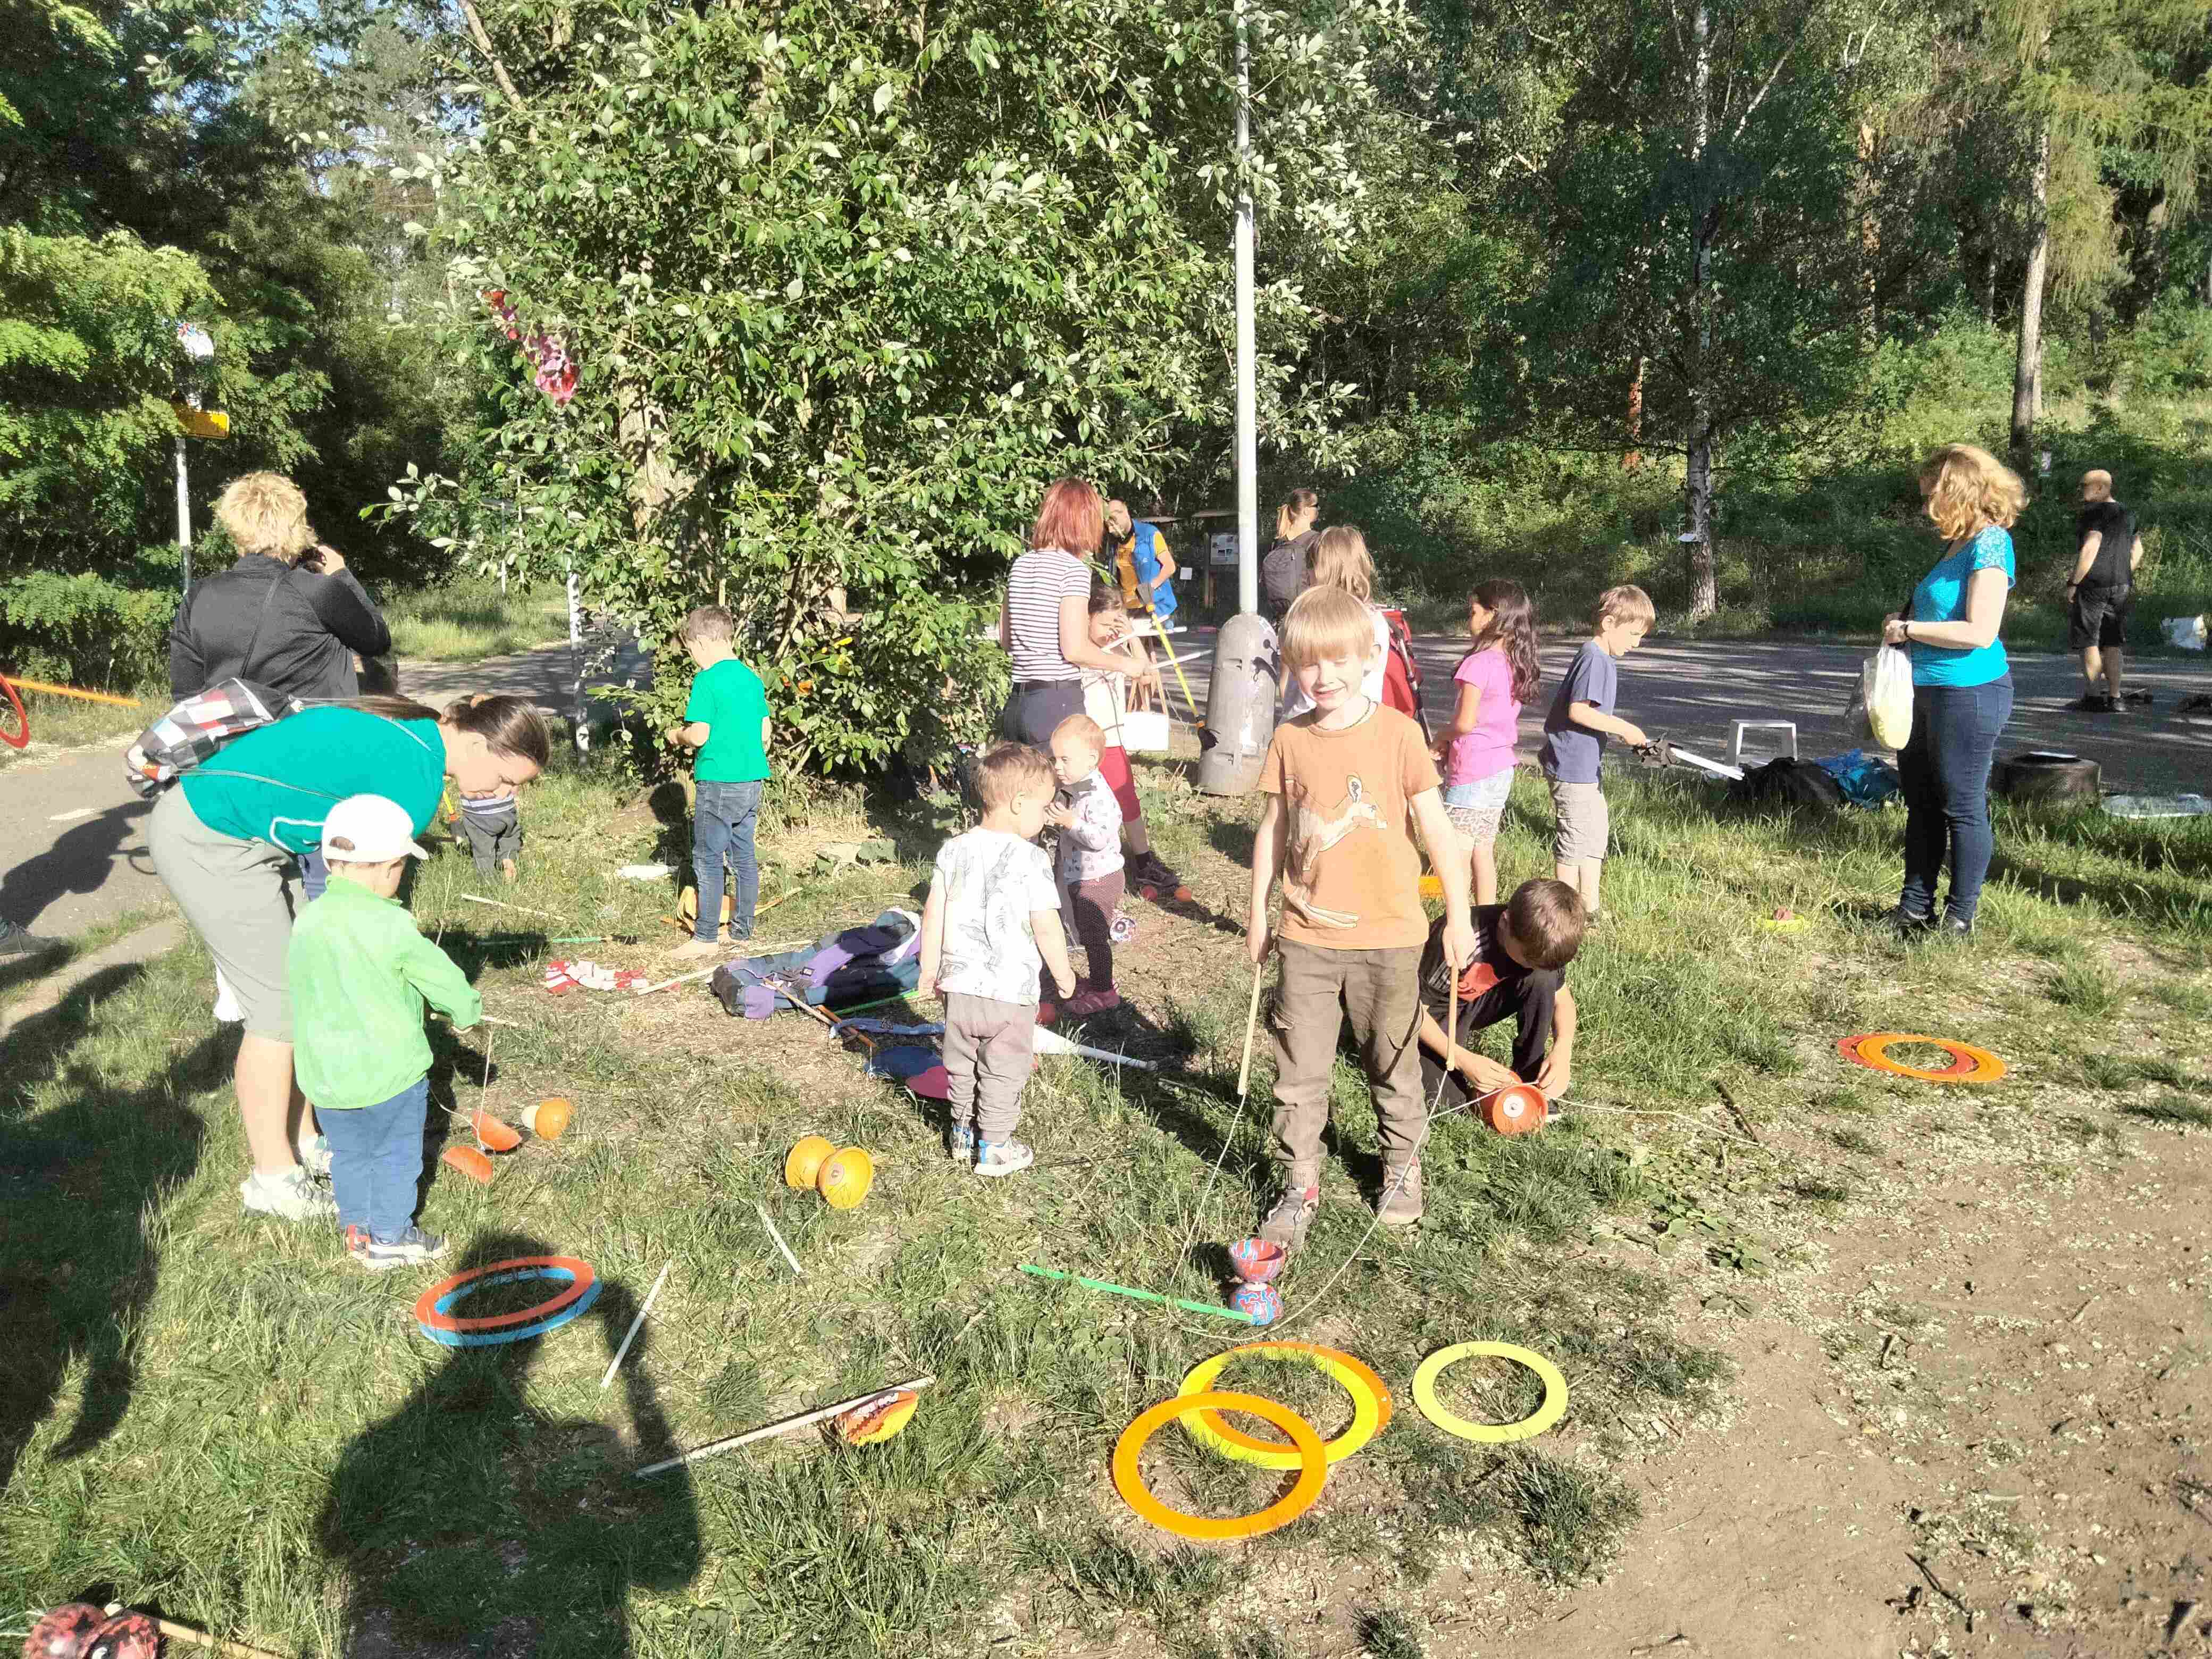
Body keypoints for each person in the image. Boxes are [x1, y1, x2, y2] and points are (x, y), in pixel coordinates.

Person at [146, 693, 549, 1222]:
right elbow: (353, 895)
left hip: (251, 839)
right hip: (209, 837)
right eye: (505, 781)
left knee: (304, 991)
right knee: (278, 1012)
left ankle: (305, 1139)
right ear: (476, 744)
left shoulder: (414, 734)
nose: (504, 795)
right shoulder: (414, 780)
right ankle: (273, 1178)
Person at [1248, 585, 1472, 1250]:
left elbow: (1438, 832)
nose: (1323, 676)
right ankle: (1299, 1182)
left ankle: (1400, 1165)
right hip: (1305, 938)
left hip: (1389, 939)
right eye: (1307, 663)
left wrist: (1458, 917)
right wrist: (1258, 912)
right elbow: (1273, 829)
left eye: (1338, 660)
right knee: (1297, 1071)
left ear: (1370, 657)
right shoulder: (1289, 739)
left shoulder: (1400, 735)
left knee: (1392, 1060)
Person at [170, 472, 395, 935]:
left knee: (254, 880)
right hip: (318, 756)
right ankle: (331, 949)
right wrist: (342, 574)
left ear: (234, 527)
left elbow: (185, 694)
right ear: (297, 525)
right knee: (325, 872)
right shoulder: (315, 589)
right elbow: (376, 639)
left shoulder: (199, 597)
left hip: (239, 757)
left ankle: (265, 962)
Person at [288, 794, 481, 1269]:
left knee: (350, 1155)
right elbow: (440, 976)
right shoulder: (392, 923)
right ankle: (391, 1238)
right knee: (395, 1156)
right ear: (389, 868)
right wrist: (465, 1008)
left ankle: (357, 1228)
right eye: (401, 868)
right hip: (389, 1072)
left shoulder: (307, 921)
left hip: (327, 1075)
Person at [917, 743, 1078, 1177]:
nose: (1046, 817)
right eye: (1044, 807)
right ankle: (994, 1148)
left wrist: (929, 969)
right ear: (1019, 803)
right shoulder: (1032, 859)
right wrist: (1063, 972)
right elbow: (1046, 924)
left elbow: (933, 914)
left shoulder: (953, 850)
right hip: (1010, 992)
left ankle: (962, 1133)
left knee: (962, 1062)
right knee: (1004, 1068)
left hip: (958, 987)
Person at [1882, 443, 2022, 935]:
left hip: (1969, 692)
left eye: (1932, 496)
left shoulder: (1991, 544)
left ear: (1959, 492)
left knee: (1961, 806)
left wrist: (1909, 629)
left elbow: (1979, 632)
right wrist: (1905, 624)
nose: (1927, 508)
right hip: (1924, 690)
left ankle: (1960, 917)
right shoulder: (1957, 544)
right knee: (1920, 804)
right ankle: (1913, 908)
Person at [1538, 585, 1653, 927]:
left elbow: (1592, 716)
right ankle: (1563, 918)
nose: (1637, 644)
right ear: (1609, 623)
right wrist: (1624, 727)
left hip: (1586, 766)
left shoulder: (1602, 658)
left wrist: (1615, 732)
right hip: (1572, 768)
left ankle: (1589, 907)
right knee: (1573, 843)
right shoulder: (1594, 658)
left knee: (1595, 836)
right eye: (1633, 635)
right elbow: (1579, 711)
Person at [1413, 877, 1584, 1105]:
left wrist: (1563, 1051)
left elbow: (1562, 1000)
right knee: (1449, 1102)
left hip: (1482, 1003)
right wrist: (1462, 1059)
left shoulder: (1542, 946)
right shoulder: (1461, 938)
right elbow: (1412, 1010)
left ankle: (1531, 1081)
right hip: (1436, 1014)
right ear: (1505, 922)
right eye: (1528, 960)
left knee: (1542, 978)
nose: (1532, 966)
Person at [667, 606, 772, 962]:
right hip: (752, 780)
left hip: (719, 780)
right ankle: (741, 931)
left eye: (692, 650)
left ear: (703, 641)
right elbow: (765, 732)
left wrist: (676, 735)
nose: (693, 658)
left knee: (708, 856)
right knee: (744, 855)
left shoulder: (707, 681)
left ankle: (706, 936)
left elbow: (699, 735)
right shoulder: (752, 679)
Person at [998, 479, 1133, 746]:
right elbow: (1075, 650)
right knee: (1071, 775)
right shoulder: (1073, 570)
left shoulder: (1020, 565)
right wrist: (1128, 665)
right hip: (1056, 704)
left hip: (1018, 704)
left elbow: (1006, 640)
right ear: (1082, 519)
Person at [1431, 580, 1540, 907]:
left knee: (1458, 853)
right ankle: (1487, 915)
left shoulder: (1477, 663)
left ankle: (1459, 919)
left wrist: (1440, 736)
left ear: (1493, 615)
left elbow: (1465, 724)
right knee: (1483, 849)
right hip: (1500, 770)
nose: (1470, 619)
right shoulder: (1514, 662)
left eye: (1473, 612)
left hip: (1472, 771)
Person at [1081, 588, 1184, 897]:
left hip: (1112, 740)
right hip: (1085, 741)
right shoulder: (1080, 651)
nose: (1110, 631)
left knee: (1127, 800)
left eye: (1116, 624)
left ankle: (1144, 862)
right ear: (1087, 618)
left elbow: (1146, 677)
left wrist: (1130, 636)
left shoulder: (1117, 648)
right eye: (1105, 624)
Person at [1044, 714, 1125, 1016]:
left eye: (1065, 760)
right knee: (1088, 933)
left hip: (1099, 878)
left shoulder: (1099, 795)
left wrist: (1071, 823)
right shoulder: (1078, 787)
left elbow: (1100, 838)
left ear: (1091, 759)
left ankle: (1105, 991)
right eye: (1055, 759)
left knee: (1095, 937)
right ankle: (1098, 980)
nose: (1057, 766)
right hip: (1084, 875)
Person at [1277, 526, 1390, 722]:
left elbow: (1301, 693)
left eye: (1311, 565)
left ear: (1326, 568)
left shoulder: (1314, 620)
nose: (1307, 573)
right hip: (1364, 723)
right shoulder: (1375, 619)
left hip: (1312, 724)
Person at [2066, 468, 2141, 713]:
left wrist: (2074, 583)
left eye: (2084, 486)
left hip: (2094, 585)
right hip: (2121, 584)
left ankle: (2093, 696)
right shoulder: (2128, 513)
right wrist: (2122, 571)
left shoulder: (2093, 513)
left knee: (2089, 640)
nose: (2081, 490)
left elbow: (2091, 546)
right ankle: (2116, 697)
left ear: (2101, 488)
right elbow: (2138, 550)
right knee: (2113, 642)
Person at [1103, 499, 1180, 631]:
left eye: (1114, 523)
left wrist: (1150, 587)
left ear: (1125, 513)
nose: (1110, 530)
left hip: (1154, 607)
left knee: (1151, 643)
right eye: (1108, 525)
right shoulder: (1112, 543)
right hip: (1128, 608)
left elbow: (1170, 567)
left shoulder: (1149, 534)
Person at [1261, 488, 1322, 622]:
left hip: (1281, 620)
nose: (1318, 509)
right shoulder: (1317, 541)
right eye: (1316, 506)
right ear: (1306, 511)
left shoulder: (1277, 542)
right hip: (1309, 617)